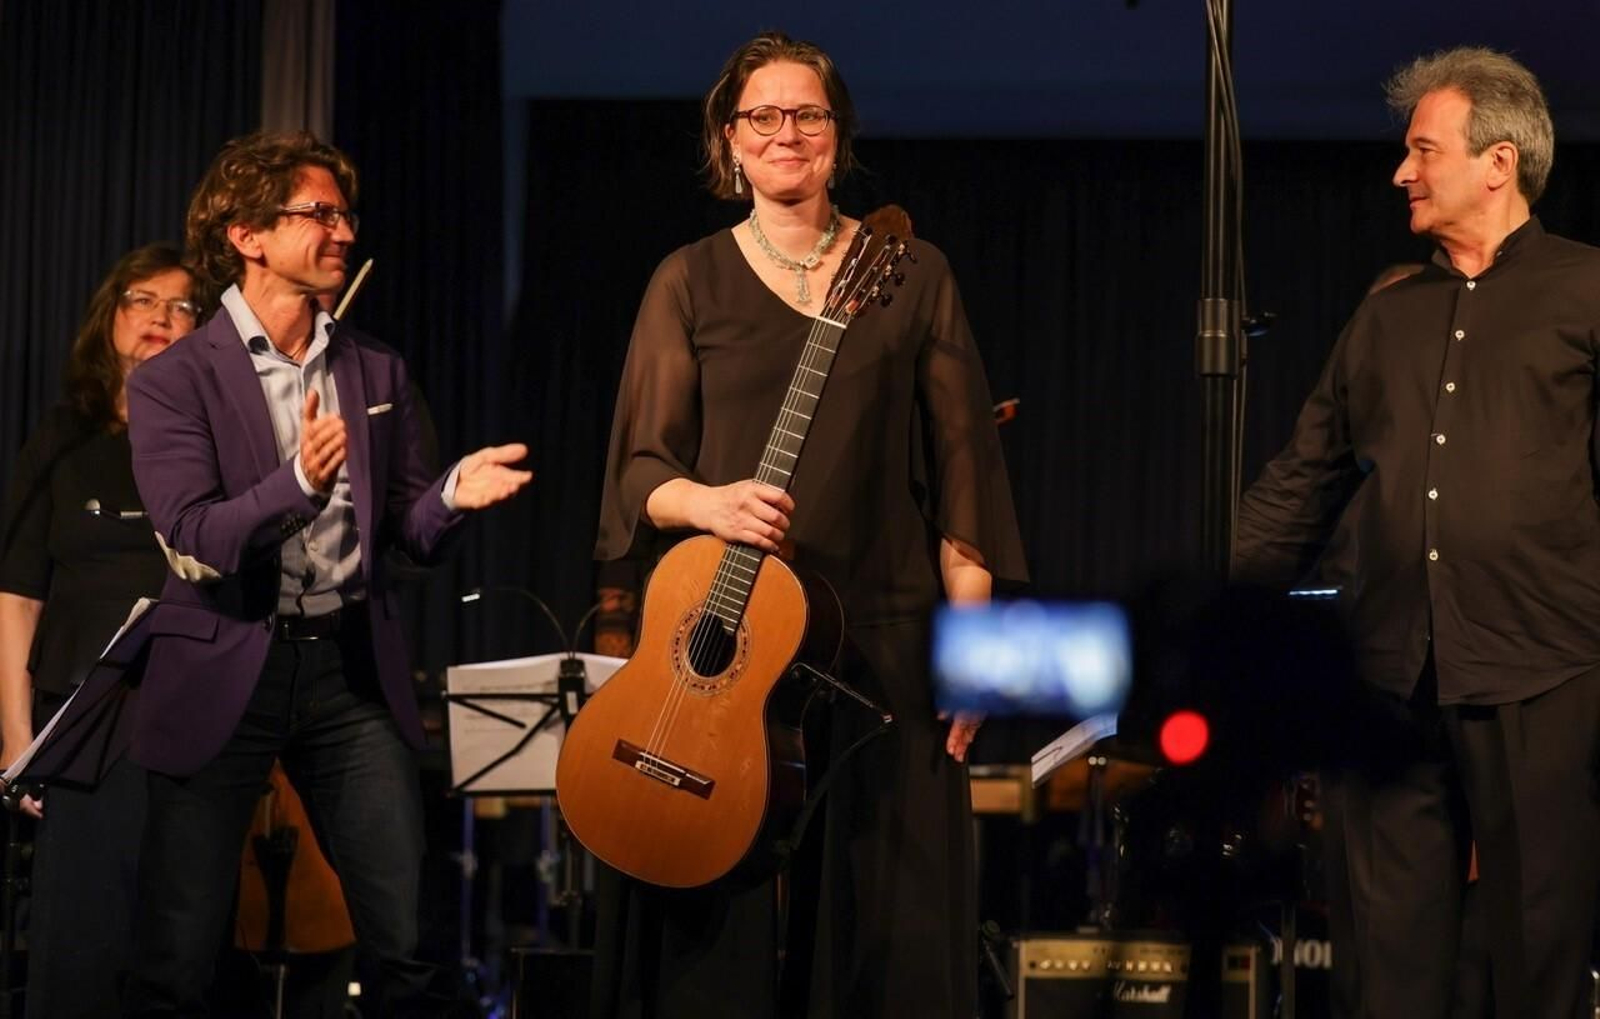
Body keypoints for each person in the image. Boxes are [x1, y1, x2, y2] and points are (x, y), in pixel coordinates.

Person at [589, 31, 1027, 1019]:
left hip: (884, 640)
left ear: (839, 135)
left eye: (808, 114)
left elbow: (966, 473)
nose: (785, 133)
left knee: (888, 931)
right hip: (728, 637)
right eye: (763, 116)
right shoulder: (686, 280)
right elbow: (640, 473)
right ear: (730, 140)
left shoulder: (912, 273)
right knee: (710, 928)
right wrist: (710, 501)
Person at [119, 130, 532, 1016]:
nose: (344, 231)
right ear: (247, 234)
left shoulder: (375, 367)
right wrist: (298, 484)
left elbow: (407, 535)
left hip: (345, 670)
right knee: (177, 957)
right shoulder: (173, 380)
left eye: (346, 215)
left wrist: (450, 496)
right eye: (319, 213)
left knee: (407, 937)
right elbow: (196, 534)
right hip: (225, 660)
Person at [1233, 47, 1599, 1018]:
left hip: (1544, 672)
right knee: (1387, 969)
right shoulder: (1385, 319)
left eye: (1422, 149)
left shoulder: (1587, 292)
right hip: (1392, 680)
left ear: (1498, 162)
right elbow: (1301, 481)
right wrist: (1213, 607)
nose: (1401, 171)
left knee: (1539, 958)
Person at [0, 245, 198, 1017]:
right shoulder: (64, 437)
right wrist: (18, 743)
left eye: (181, 306)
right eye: (142, 299)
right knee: (78, 945)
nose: (160, 317)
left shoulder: (210, 437)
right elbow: (18, 593)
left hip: (184, 712)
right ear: (109, 317)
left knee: (174, 946)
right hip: (79, 721)